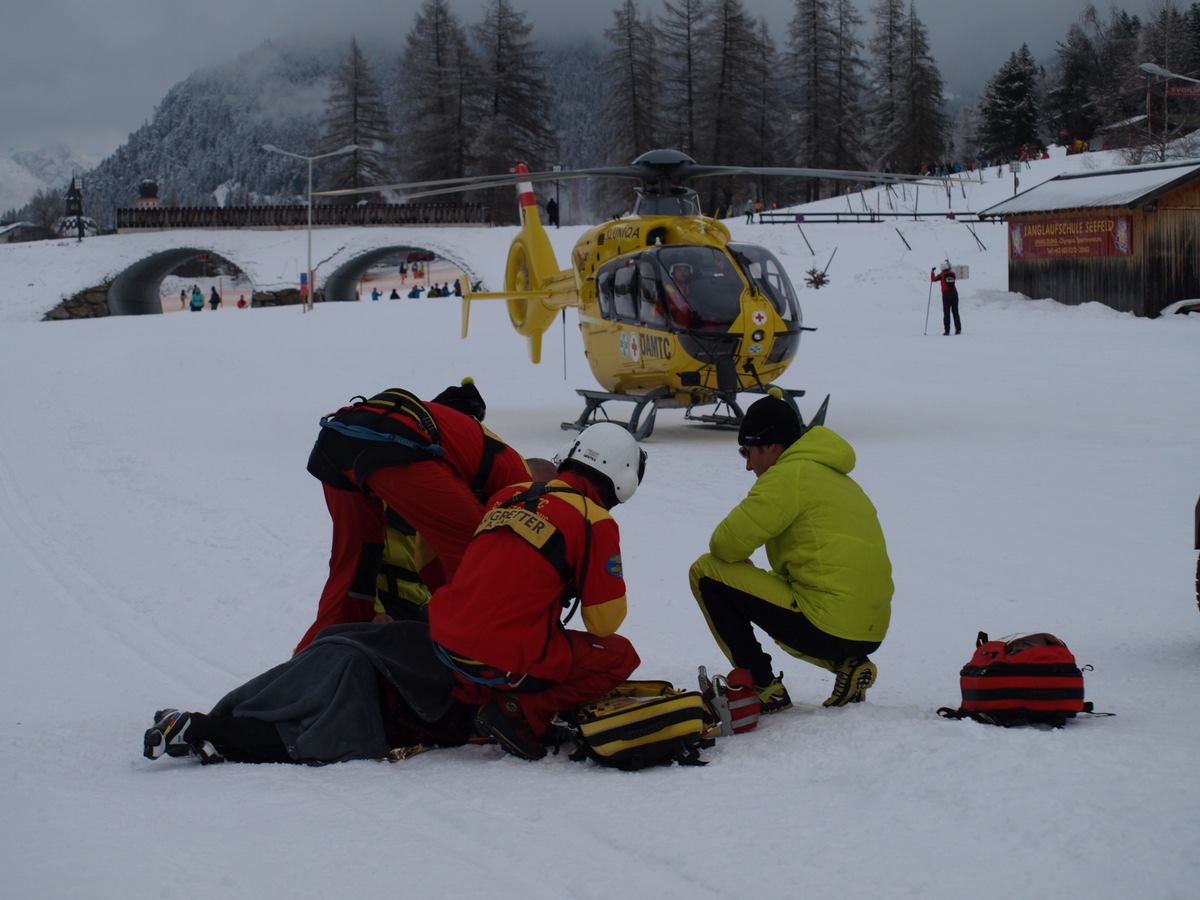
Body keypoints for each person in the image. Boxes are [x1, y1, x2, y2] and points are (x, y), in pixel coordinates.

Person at [428, 422, 648, 760]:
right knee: (620, 656)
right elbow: (604, 623)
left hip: (445, 643)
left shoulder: (507, 496)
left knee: (505, 628)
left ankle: (474, 703)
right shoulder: (595, 520)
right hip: (503, 656)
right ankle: (519, 710)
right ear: (622, 479)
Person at [689, 390, 893, 711]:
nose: (747, 465)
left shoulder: (787, 475)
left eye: (747, 451)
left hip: (827, 625)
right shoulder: (836, 476)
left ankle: (762, 685)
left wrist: (735, 562)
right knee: (782, 587)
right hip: (870, 629)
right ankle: (849, 665)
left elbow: (724, 544)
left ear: (771, 446)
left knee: (706, 572)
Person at [296, 380, 531, 653]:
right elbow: (501, 557)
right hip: (386, 448)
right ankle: (478, 667)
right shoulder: (517, 475)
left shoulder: (445, 437)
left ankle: (293, 677)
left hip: (336, 441)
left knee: (350, 578)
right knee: (482, 558)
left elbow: (428, 555)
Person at [143, 620, 477, 765]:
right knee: (308, 740)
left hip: (347, 646)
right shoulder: (483, 683)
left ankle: (208, 736)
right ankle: (196, 728)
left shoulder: (459, 631)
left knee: (266, 704)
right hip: (360, 675)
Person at [931, 261, 961, 335]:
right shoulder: (953, 274)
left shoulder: (942, 275)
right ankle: (958, 329)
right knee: (955, 312)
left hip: (946, 294)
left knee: (946, 312)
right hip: (954, 294)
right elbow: (951, 274)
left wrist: (932, 272)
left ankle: (947, 330)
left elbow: (933, 279)